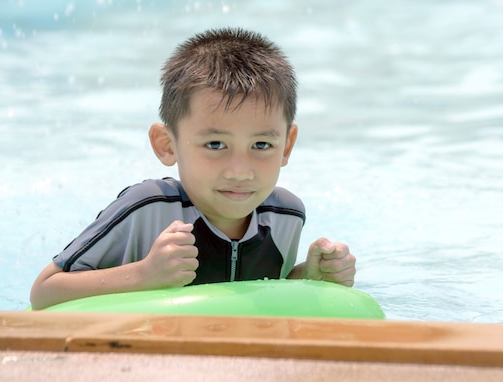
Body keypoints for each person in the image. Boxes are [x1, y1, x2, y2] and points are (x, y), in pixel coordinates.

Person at [30, 28, 356, 310]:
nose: (240, 171)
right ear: (167, 144)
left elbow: (259, 291)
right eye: (215, 145)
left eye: (261, 145)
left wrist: (308, 278)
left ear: (287, 145)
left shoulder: (285, 216)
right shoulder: (147, 210)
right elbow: (44, 292)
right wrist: (144, 274)